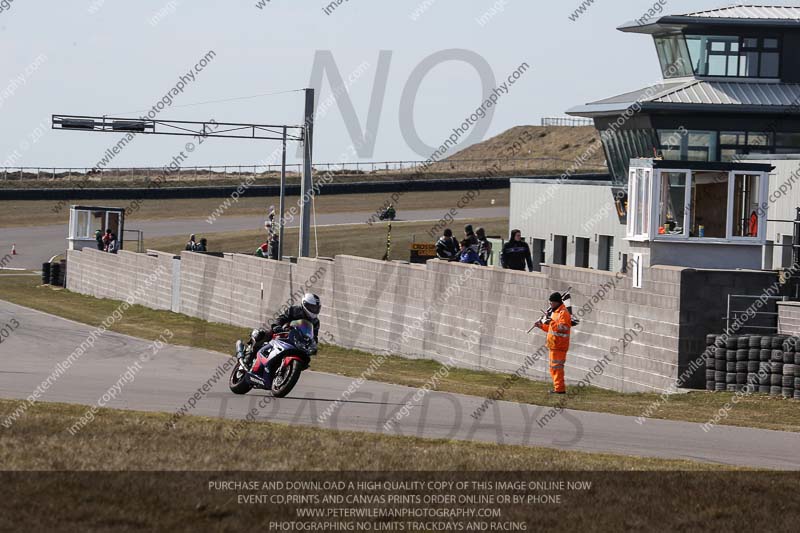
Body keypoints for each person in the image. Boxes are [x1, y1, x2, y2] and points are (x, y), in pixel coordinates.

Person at [248, 294, 322, 373]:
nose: (314, 310)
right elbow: (282, 318)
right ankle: (249, 355)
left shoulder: (316, 322)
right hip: (285, 332)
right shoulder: (294, 310)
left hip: (299, 342)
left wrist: (313, 345)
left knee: (305, 358)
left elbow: (314, 336)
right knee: (265, 334)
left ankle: (285, 370)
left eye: (316, 308)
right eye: (312, 307)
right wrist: (277, 326)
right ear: (304, 304)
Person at [533, 292, 572, 395]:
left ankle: (560, 390)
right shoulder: (556, 312)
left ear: (557, 302)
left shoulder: (563, 313)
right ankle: (558, 388)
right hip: (554, 345)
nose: (550, 305)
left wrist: (551, 322)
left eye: (551, 303)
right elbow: (552, 329)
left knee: (557, 368)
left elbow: (564, 328)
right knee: (554, 369)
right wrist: (541, 326)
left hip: (559, 346)